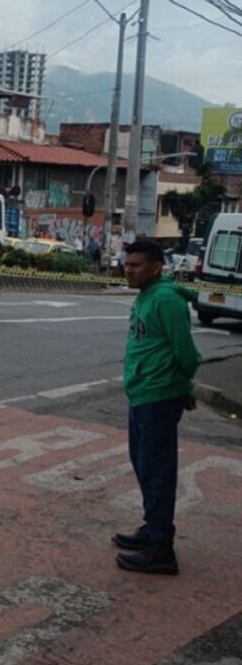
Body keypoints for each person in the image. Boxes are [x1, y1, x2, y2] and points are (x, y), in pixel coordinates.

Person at [113, 240, 200, 576]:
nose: (128, 269)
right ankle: (152, 530)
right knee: (145, 466)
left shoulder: (165, 299)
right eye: (127, 264)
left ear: (155, 267)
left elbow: (187, 354)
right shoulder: (146, 296)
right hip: (142, 395)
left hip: (157, 397)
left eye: (136, 265)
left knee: (158, 471)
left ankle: (161, 549)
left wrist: (182, 387)